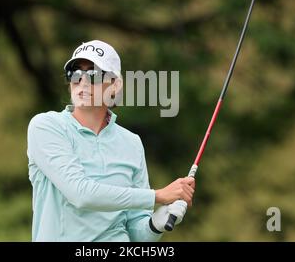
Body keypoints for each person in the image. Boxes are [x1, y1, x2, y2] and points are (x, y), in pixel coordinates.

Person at [27, 40, 195, 241]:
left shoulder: (131, 143)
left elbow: (136, 233)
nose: (83, 81)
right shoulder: (46, 126)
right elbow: (80, 193)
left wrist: (155, 224)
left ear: (115, 85)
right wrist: (157, 196)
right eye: (75, 73)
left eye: (94, 74)